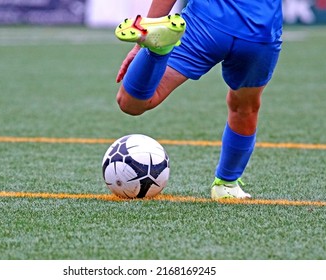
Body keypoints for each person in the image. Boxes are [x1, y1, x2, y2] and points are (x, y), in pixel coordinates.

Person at [114, 0, 283, 199]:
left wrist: (146, 29)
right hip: (258, 31)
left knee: (131, 103)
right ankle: (227, 185)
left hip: (205, 22)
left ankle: (158, 49)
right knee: (244, 107)